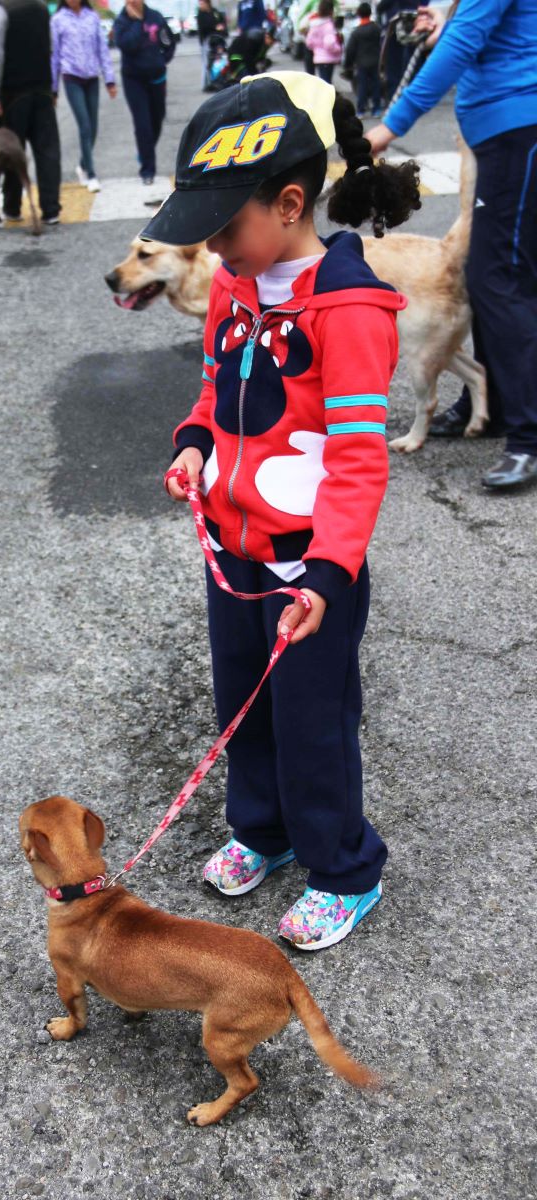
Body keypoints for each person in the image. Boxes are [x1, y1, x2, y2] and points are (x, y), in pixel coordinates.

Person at [143, 72, 421, 949]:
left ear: (291, 204)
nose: (214, 247)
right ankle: (262, 829)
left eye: (225, 226)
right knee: (241, 703)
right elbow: (213, 391)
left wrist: (330, 575)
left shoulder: (350, 311)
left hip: (311, 568)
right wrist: (195, 445)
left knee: (313, 721)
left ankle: (344, 866)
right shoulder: (235, 285)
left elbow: (357, 458)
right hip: (234, 551)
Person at [367, 0, 537, 491]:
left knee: (498, 278)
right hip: (507, 128)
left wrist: (391, 125)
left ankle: (528, 437)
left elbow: (465, 42)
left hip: (516, 127)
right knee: (494, 272)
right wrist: (447, 22)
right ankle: (497, 406)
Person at [0, 0, 62, 224]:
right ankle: (51, 208)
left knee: (11, 149)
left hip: (13, 93)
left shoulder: (1, 10)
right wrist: (52, 87)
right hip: (42, 89)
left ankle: (12, 206)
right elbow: (51, 49)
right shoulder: (41, 8)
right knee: (47, 150)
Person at [51, 0, 117, 193]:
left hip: (92, 77)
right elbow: (54, 55)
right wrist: (53, 89)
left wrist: (110, 80)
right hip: (71, 77)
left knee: (93, 127)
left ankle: (82, 164)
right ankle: (91, 174)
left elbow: (102, 49)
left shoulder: (92, 17)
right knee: (85, 126)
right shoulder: (58, 20)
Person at [113, 1, 176, 186]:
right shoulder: (122, 21)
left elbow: (169, 41)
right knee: (143, 125)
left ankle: (144, 151)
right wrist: (137, 22)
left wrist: (162, 60)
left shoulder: (155, 16)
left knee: (157, 119)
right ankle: (147, 170)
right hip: (134, 80)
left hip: (157, 77)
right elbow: (127, 45)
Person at [343, 2, 382, 117]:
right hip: (375, 61)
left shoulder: (356, 32)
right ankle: (376, 108)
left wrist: (347, 64)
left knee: (362, 86)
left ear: (359, 14)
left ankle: (361, 110)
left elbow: (350, 50)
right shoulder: (377, 28)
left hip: (361, 62)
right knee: (376, 84)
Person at [305, 0, 343, 83]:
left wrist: (317, 49)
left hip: (318, 56)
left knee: (323, 82)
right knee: (327, 83)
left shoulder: (314, 24)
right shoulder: (328, 25)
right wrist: (338, 49)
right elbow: (329, 43)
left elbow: (309, 42)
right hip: (328, 58)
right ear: (331, 11)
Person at [197, 0, 228, 90]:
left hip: (218, 39)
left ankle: (219, 79)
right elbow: (203, 27)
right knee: (206, 62)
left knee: (220, 59)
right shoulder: (201, 15)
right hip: (207, 40)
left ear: (207, 3)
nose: (200, 5)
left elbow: (222, 22)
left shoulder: (215, 12)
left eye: (202, 3)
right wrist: (215, 27)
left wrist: (221, 27)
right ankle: (207, 83)